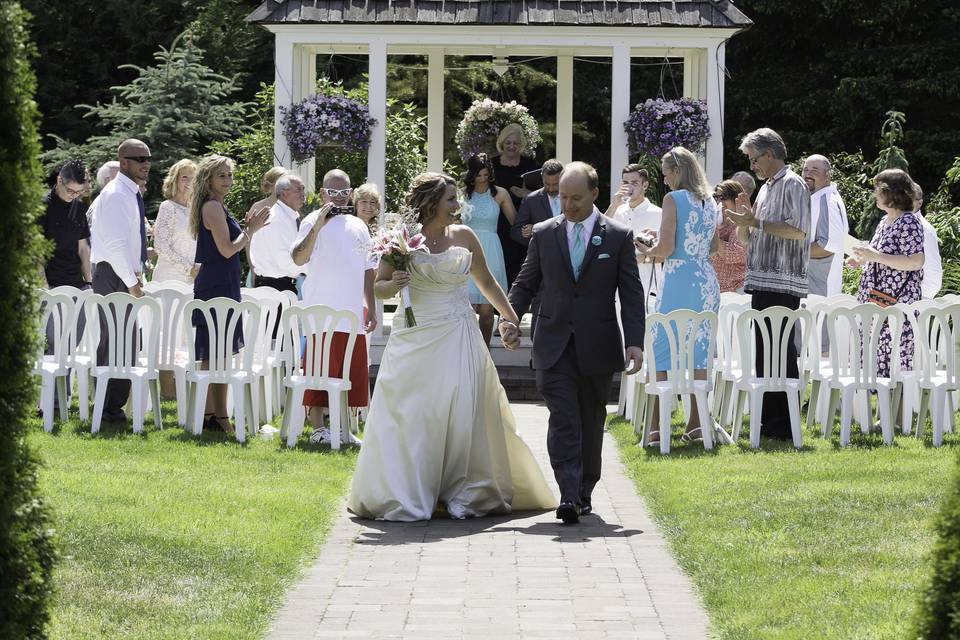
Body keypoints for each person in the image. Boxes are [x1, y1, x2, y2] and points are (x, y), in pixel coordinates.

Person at [348, 172, 555, 521]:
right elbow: (379, 288)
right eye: (451, 199)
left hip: (459, 335)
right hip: (414, 338)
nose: (457, 205)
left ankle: (462, 488)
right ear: (431, 204)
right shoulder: (403, 239)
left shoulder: (465, 236)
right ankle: (409, 489)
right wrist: (393, 283)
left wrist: (510, 317)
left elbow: (486, 282)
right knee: (413, 412)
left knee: (462, 409)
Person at [505, 161, 645, 524]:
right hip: (552, 342)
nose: (568, 206)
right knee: (563, 417)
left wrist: (635, 342)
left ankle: (584, 490)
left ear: (595, 194)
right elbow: (525, 283)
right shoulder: (544, 232)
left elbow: (631, 294)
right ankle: (568, 492)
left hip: (597, 343)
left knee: (590, 419)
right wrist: (510, 318)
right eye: (563, 197)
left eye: (576, 199)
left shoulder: (617, 236)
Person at [726, 128, 810, 441]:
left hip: (782, 281)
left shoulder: (793, 184)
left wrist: (755, 222)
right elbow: (752, 236)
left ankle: (785, 425)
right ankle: (768, 422)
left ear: (770, 154)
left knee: (781, 353)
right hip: (762, 280)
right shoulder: (766, 188)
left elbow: (799, 231)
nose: (752, 166)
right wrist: (744, 223)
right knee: (764, 354)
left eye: (754, 159)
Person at [636, 148, 720, 444]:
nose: (664, 177)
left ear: (678, 171)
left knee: (662, 349)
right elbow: (713, 248)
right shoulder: (710, 201)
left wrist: (648, 249)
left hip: (678, 280)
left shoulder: (673, 199)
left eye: (666, 171)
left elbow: (668, 248)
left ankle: (658, 427)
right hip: (706, 282)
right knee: (698, 352)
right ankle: (696, 425)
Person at [291, 169, 378, 445]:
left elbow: (368, 269)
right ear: (323, 194)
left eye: (344, 192)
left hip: (351, 311)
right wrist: (318, 225)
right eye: (333, 192)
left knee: (347, 373)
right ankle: (317, 427)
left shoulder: (359, 226)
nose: (339, 198)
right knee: (319, 371)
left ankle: (341, 428)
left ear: (350, 193)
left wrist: (372, 308)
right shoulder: (309, 221)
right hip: (321, 312)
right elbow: (297, 257)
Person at [189, 155, 270, 433]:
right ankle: (220, 417)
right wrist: (251, 230)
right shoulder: (212, 206)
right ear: (208, 179)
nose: (228, 180)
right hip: (217, 286)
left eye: (229, 175)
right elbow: (226, 249)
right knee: (219, 353)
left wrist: (248, 230)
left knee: (215, 353)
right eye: (222, 175)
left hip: (222, 283)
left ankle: (210, 415)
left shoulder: (217, 206)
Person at [89, 138, 152, 424]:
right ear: (123, 162)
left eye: (148, 158)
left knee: (126, 341)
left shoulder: (129, 193)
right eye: (139, 158)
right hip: (113, 274)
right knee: (115, 341)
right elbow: (115, 245)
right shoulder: (116, 194)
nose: (146, 163)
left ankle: (111, 408)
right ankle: (107, 409)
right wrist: (132, 283)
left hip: (122, 273)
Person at [847, 169, 924, 377]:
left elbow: (916, 261)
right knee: (876, 364)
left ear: (891, 193)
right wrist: (861, 259)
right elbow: (879, 257)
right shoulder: (884, 221)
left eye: (877, 189)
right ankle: (883, 409)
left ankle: (894, 410)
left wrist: (876, 256)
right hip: (878, 302)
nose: (874, 194)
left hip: (896, 304)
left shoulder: (908, 221)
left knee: (895, 368)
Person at [462, 153, 517, 346]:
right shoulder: (462, 194)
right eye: (479, 175)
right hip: (467, 250)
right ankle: (468, 349)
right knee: (467, 307)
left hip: (491, 251)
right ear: (472, 175)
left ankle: (485, 351)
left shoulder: (500, 194)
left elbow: (515, 222)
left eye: (486, 174)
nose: (483, 179)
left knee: (486, 312)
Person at [510, 158, 563, 339]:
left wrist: (538, 227)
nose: (551, 188)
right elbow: (515, 231)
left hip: (569, 260)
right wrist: (530, 235)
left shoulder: (572, 196)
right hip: (541, 262)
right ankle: (537, 349)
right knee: (539, 304)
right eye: (547, 183)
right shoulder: (531, 200)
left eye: (555, 184)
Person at [605, 164, 664, 310]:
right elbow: (599, 234)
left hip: (648, 286)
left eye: (634, 183)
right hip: (618, 287)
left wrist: (640, 258)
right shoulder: (617, 211)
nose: (629, 187)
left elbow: (665, 254)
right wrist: (613, 206)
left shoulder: (658, 214)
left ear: (645, 185)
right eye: (625, 183)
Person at [493, 123, 539, 290]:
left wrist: (526, 194)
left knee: (519, 265)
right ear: (502, 143)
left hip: (522, 224)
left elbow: (542, 195)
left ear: (521, 145)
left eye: (516, 143)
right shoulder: (491, 166)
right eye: (508, 143)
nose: (512, 147)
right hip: (496, 223)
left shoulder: (532, 167)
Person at [40, 160, 92, 290]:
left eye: (79, 192)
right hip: (50, 285)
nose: (74, 195)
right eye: (70, 190)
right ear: (59, 181)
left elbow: (82, 249)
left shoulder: (79, 206)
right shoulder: (41, 207)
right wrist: (45, 287)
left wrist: (89, 283)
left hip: (78, 284)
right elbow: (36, 253)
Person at [250, 174, 306, 295]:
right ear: (284, 193)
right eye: (298, 190)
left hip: (279, 286)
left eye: (303, 189)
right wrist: (311, 269)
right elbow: (284, 262)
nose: (303, 194)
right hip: (274, 288)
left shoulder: (286, 216)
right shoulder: (277, 219)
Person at [802, 155, 848, 297]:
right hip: (810, 289)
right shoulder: (817, 198)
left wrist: (791, 252)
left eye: (814, 170)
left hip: (819, 292)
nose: (808, 174)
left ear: (828, 176)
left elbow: (827, 246)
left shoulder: (827, 201)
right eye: (805, 170)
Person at [152, 159, 198, 284]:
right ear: (175, 180)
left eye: (193, 178)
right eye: (184, 177)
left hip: (194, 279)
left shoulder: (197, 210)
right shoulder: (167, 207)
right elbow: (161, 247)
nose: (189, 182)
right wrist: (189, 268)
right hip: (169, 279)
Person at [244, 166, 287, 285]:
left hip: (286, 272)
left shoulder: (292, 209)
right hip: (261, 271)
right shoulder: (257, 207)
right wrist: (253, 268)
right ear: (271, 184)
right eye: (280, 183)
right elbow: (248, 241)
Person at [709, 180, 748, 293]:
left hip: (737, 290)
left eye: (724, 197)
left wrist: (710, 230)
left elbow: (734, 254)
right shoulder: (719, 225)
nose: (720, 201)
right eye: (716, 197)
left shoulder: (742, 225)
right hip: (717, 290)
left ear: (736, 199)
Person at [912, 184, 942, 300]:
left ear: (919, 203)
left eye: (909, 199)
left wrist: (918, 300)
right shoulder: (889, 223)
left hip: (914, 303)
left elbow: (934, 274)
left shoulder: (924, 229)